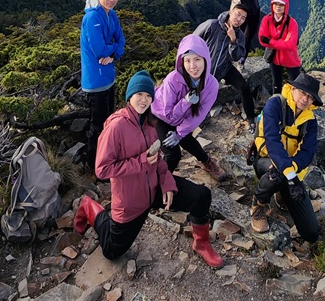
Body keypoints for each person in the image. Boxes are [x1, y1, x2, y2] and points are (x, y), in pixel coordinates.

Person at [73, 71, 224, 268]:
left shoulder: (150, 123)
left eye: (148, 96)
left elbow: (158, 160)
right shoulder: (116, 127)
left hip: (154, 189)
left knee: (202, 195)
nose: (144, 100)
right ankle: (89, 207)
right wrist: (141, 162)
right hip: (131, 202)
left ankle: (202, 244)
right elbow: (102, 170)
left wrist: (167, 183)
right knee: (112, 251)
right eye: (139, 95)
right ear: (129, 97)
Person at [249, 72, 321, 245]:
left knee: (311, 233)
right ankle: (258, 204)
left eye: (310, 97)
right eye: (303, 93)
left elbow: (307, 153)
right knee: (277, 175)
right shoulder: (275, 105)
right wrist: (290, 175)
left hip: (290, 171)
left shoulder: (310, 121)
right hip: (265, 161)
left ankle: (282, 193)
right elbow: (272, 141)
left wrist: (292, 171)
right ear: (293, 88)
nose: (305, 99)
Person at [152, 34, 227, 181]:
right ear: (182, 62)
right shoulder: (172, 80)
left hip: (181, 116)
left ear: (205, 59)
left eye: (197, 59)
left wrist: (179, 134)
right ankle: (158, 184)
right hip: (159, 115)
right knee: (173, 155)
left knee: (186, 137)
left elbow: (198, 115)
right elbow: (169, 115)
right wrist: (186, 102)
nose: (192, 66)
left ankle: (206, 161)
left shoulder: (211, 85)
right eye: (187, 61)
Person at [80, 0, 125, 170]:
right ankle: (94, 165)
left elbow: (121, 40)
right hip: (95, 81)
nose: (112, 0)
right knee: (97, 125)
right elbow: (99, 50)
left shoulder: (112, 15)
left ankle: (107, 157)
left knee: (109, 122)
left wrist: (113, 53)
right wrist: (111, 49)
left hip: (109, 76)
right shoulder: (92, 18)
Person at [195, 0, 257, 130]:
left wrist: (233, 40)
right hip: (205, 69)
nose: (239, 19)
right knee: (199, 93)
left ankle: (251, 119)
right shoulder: (211, 25)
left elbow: (237, 56)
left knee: (244, 87)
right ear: (230, 12)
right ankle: (197, 118)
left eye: (243, 18)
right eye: (237, 14)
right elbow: (193, 40)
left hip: (225, 67)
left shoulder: (239, 35)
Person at [258, 0, 303, 95]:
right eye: (275, 4)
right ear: (272, 5)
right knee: (276, 84)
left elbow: (290, 45)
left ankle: (293, 108)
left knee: (295, 86)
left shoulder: (291, 23)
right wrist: (283, 42)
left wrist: (270, 41)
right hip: (274, 58)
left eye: (281, 4)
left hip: (290, 59)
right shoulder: (267, 20)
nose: (278, 7)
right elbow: (262, 40)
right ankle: (276, 106)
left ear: (285, 6)